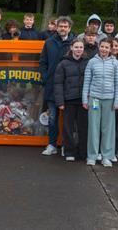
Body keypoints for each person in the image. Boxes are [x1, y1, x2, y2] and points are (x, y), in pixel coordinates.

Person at [82, 39, 118, 167]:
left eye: (107, 47)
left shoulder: (115, 63)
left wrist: (117, 101)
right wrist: (85, 99)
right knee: (93, 128)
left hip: (109, 100)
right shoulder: (92, 62)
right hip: (94, 99)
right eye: (102, 46)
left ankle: (107, 156)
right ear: (99, 47)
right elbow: (87, 81)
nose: (104, 49)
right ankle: (92, 156)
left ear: (110, 49)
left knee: (108, 129)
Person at [38, 16, 74, 157]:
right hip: (52, 85)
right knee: (52, 117)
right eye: (61, 26)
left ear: (69, 28)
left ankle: (66, 145)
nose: (63, 28)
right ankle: (52, 144)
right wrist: (45, 77)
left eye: (65, 26)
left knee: (68, 120)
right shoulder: (49, 42)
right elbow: (43, 62)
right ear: (56, 27)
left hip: (69, 87)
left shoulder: (74, 43)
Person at [54, 40, 88, 162]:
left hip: (84, 101)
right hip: (69, 100)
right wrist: (60, 102)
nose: (79, 49)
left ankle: (83, 152)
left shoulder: (88, 63)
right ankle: (69, 151)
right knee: (68, 128)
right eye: (76, 47)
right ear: (71, 48)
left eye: (81, 47)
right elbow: (58, 83)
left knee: (83, 128)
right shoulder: (63, 64)